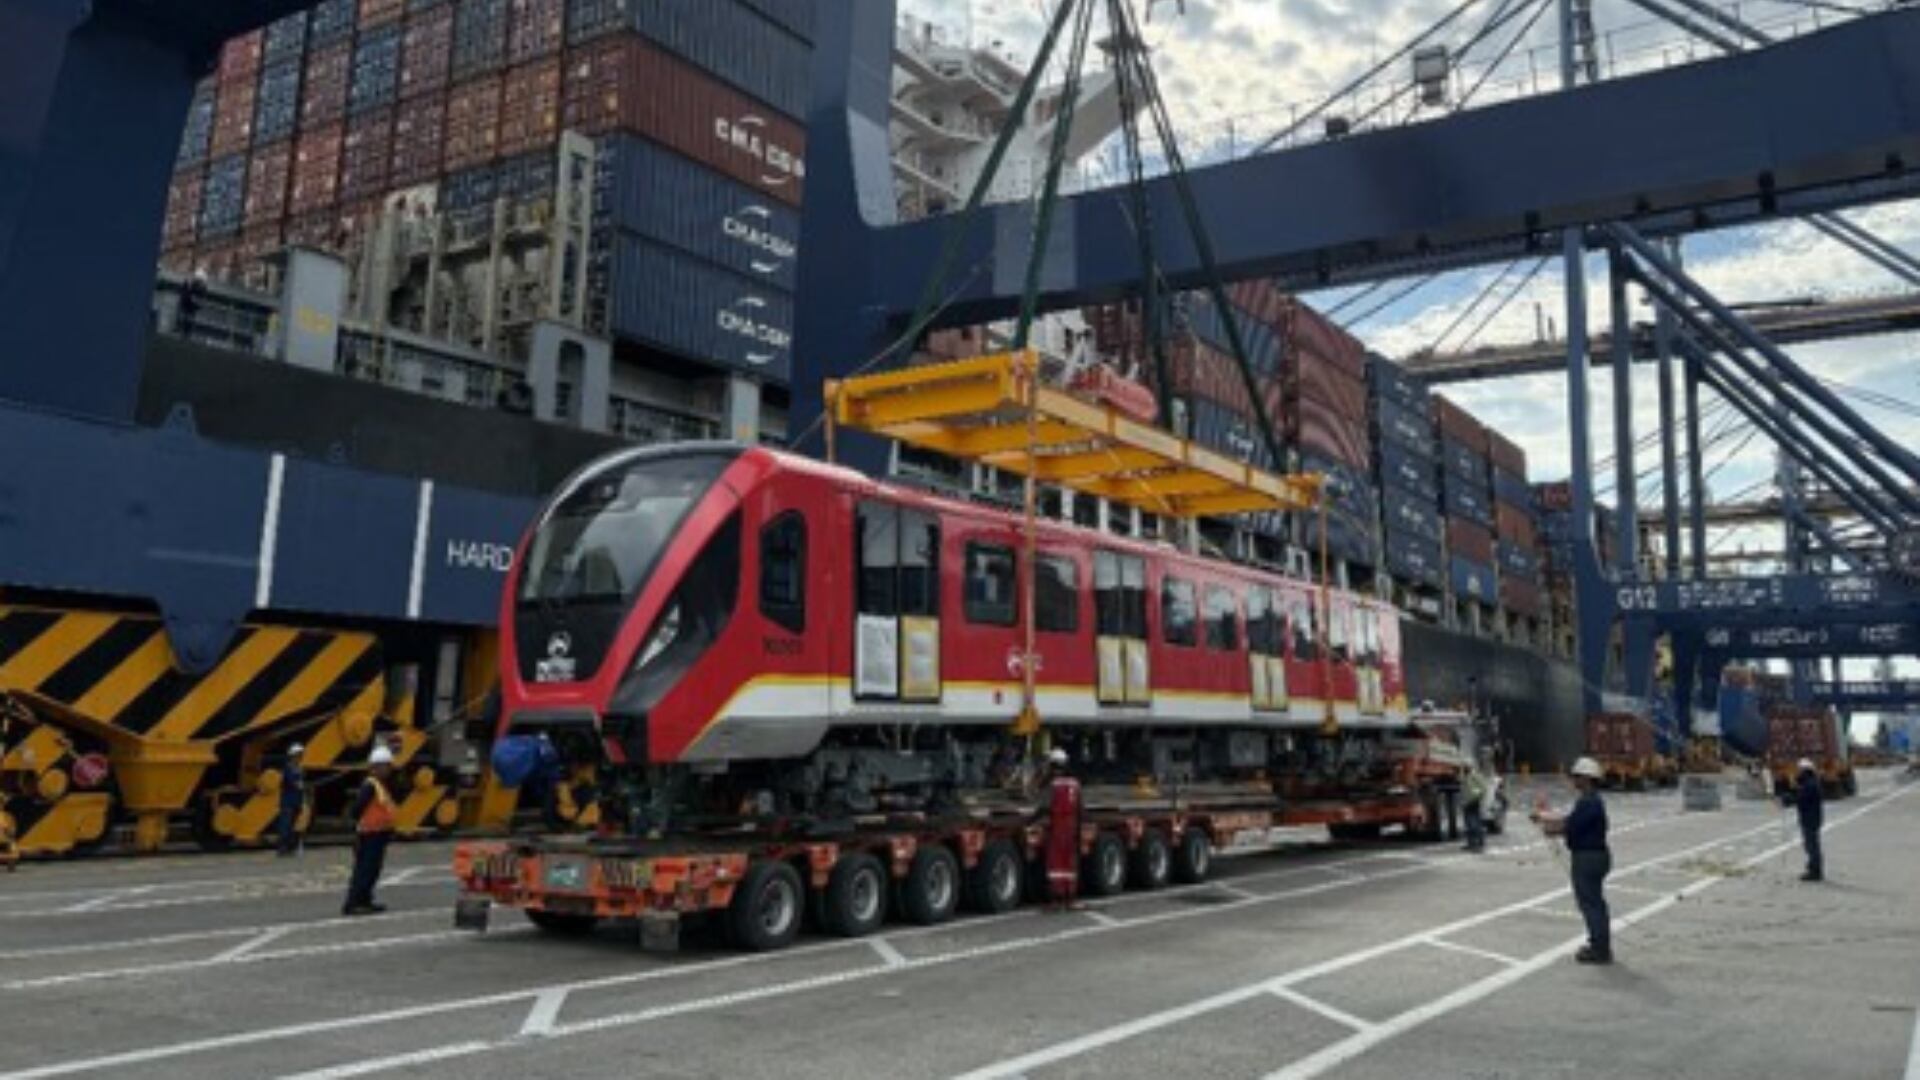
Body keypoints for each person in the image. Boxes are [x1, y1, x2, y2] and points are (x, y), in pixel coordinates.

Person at [1534, 756, 1612, 964]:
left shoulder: (1588, 802)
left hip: (1588, 858)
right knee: (1595, 902)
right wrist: (1547, 821)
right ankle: (1600, 944)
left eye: (1577, 777)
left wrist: (1546, 824)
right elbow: (1570, 822)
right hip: (1596, 856)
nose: (1574, 781)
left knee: (1591, 904)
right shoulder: (1592, 801)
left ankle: (1600, 950)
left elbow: (1570, 826)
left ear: (1587, 779)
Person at [343, 745, 398, 916]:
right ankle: (354, 903)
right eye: (386, 766)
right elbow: (358, 808)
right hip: (370, 834)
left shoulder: (379, 785)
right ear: (377, 767)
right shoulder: (370, 785)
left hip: (378, 833)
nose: (389, 769)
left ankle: (365, 900)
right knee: (365, 870)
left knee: (372, 870)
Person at [1042, 748, 1083, 913]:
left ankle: (1056, 900)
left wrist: (1030, 820)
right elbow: (1080, 808)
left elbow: (1045, 807)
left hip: (1058, 827)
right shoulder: (1075, 784)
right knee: (1070, 864)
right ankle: (1070, 899)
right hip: (1071, 826)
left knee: (1056, 864)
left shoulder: (1053, 785)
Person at [1787, 758, 1824, 882]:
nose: (1798, 772)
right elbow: (1799, 793)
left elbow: (1800, 798)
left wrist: (1786, 800)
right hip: (1811, 818)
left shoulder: (1810, 785)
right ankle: (1813, 869)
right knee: (1810, 845)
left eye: (1800, 770)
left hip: (1810, 819)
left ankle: (1815, 872)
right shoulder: (1810, 782)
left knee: (1811, 846)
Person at [276, 743, 306, 857]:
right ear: (292, 755)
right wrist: (297, 784)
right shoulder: (288, 768)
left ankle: (290, 847)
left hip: (296, 800)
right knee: (285, 824)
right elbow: (289, 781)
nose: (300, 756)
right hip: (288, 801)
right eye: (298, 754)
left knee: (293, 825)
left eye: (300, 754)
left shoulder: (300, 768)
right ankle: (282, 848)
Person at [1461, 763, 1488, 853]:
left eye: (1466, 767)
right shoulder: (1465, 777)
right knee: (1469, 824)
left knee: (1474, 823)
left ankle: (1478, 844)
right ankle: (1471, 843)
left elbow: (1483, 788)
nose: (1465, 768)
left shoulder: (1474, 776)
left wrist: (1475, 795)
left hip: (1473, 801)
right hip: (1467, 802)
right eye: (1464, 767)